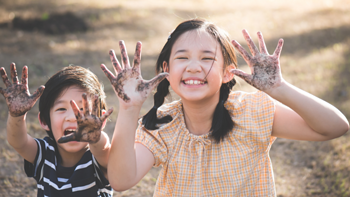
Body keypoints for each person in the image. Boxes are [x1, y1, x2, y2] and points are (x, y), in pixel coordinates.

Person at [101, 19, 349, 196]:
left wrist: (279, 88)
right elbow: (121, 181)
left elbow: (335, 127)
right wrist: (128, 109)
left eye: (207, 58)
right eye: (182, 57)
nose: (194, 67)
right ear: (167, 70)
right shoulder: (162, 125)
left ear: (228, 72)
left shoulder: (251, 111)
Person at [0, 64, 114, 196]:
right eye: (61, 109)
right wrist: (17, 116)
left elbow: (103, 150)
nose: (72, 117)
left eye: (83, 110)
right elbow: (18, 142)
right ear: (44, 121)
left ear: (102, 121)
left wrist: (97, 138)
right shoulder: (44, 154)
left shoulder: (98, 159)